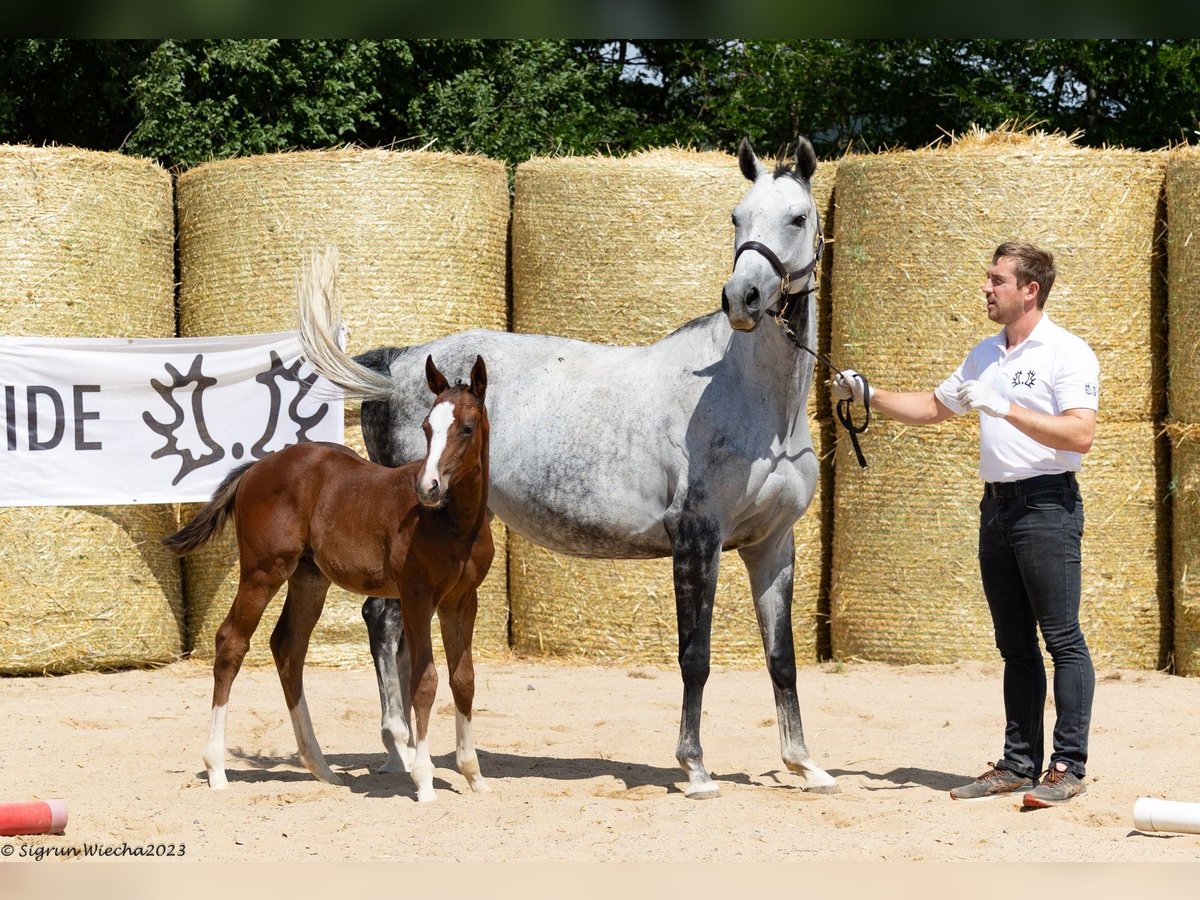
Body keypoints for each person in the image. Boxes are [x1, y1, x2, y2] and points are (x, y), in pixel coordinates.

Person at [834, 241, 1099, 808]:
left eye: (997, 280)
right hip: (999, 507)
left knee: (1062, 640)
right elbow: (934, 407)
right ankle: (1019, 764)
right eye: (988, 278)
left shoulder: (1067, 353)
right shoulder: (984, 353)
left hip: (1048, 505)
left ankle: (1068, 766)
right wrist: (870, 394)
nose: (986, 288)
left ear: (1030, 290)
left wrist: (1004, 408)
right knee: (1015, 646)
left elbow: (1080, 435)